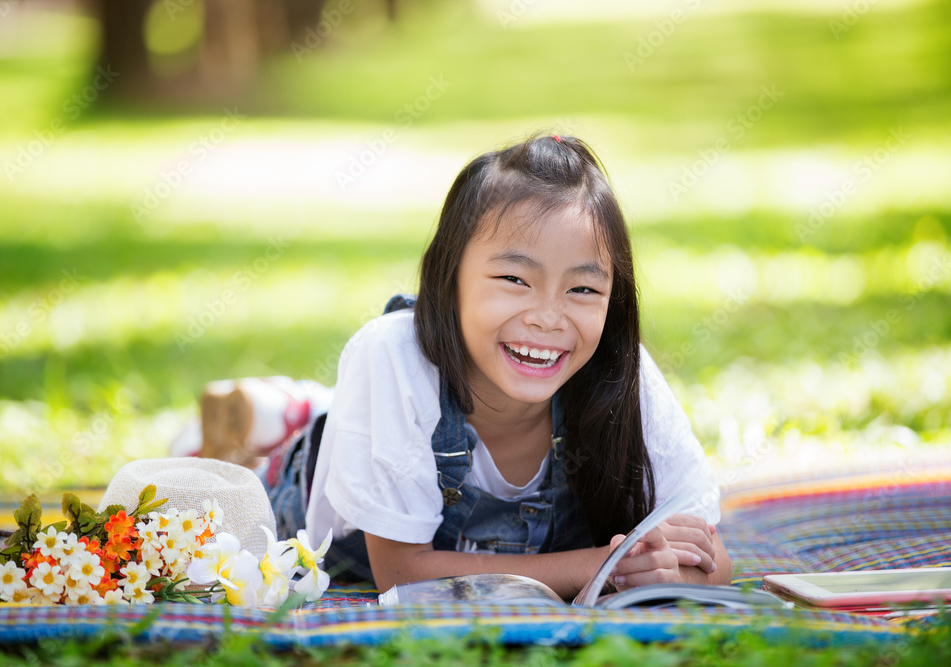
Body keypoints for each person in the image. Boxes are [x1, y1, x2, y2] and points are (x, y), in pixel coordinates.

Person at [264, 134, 732, 598]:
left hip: (391, 428)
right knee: (267, 469)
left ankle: (299, 404)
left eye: (583, 289)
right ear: (449, 279)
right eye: (514, 279)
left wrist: (667, 572)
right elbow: (401, 575)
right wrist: (602, 566)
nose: (548, 318)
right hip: (316, 478)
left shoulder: (619, 368)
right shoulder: (393, 354)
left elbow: (712, 556)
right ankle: (285, 411)